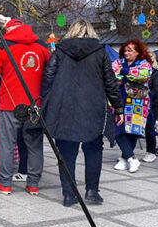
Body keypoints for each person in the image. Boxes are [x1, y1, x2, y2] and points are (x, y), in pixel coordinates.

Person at [41, 20, 123, 207]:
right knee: (94, 149)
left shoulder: (60, 50)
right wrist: (118, 108)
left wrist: (46, 100)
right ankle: (92, 190)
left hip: (65, 107)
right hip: (93, 106)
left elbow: (48, 76)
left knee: (67, 152)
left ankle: (69, 194)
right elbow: (110, 81)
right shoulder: (100, 52)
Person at [0, 18, 49, 195]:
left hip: (10, 103)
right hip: (35, 104)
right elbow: (50, 72)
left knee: (7, 144)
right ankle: (33, 184)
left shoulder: (3, 46)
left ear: (8, 30)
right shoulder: (41, 45)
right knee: (34, 145)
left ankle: (5, 183)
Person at [112, 39, 153, 173]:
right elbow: (113, 76)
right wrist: (127, 75)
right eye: (125, 49)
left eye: (130, 50)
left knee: (132, 131)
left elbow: (142, 76)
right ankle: (131, 158)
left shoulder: (144, 64)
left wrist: (123, 75)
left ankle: (124, 159)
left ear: (138, 52)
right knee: (117, 129)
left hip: (138, 102)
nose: (126, 52)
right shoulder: (117, 62)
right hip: (119, 100)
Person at [142, 53, 158, 163]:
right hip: (138, 104)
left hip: (151, 105)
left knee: (149, 128)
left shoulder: (156, 74)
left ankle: (151, 151)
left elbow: (156, 91)